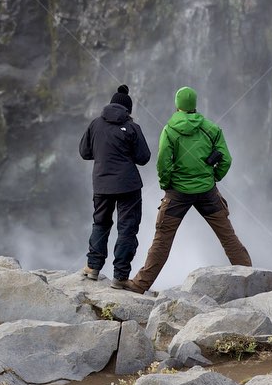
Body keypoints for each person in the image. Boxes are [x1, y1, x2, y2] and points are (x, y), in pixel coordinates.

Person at [123, 86, 251, 294]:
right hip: (208, 191)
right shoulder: (211, 128)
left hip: (178, 193)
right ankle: (250, 277)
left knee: (162, 239)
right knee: (228, 236)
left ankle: (140, 284)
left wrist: (167, 184)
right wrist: (213, 176)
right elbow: (226, 159)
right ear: (194, 105)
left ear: (177, 105)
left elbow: (163, 162)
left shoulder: (169, 130)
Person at [77, 84, 151, 286]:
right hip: (129, 186)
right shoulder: (132, 127)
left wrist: (102, 154)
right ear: (128, 110)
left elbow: (84, 152)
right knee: (127, 228)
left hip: (101, 184)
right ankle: (120, 277)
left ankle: (93, 267)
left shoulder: (95, 124)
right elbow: (144, 157)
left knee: (100, 223)